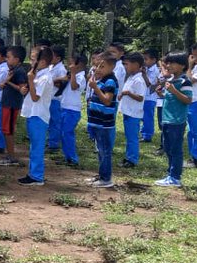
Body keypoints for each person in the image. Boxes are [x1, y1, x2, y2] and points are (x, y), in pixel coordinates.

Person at [155, 52, 193, 187]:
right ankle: (170, 174)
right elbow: (170, 97)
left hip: (177, 121)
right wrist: (162, 93)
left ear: (182, 66)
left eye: (172, 63)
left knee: (175, 148)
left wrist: (173, 91)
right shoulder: (170, 80)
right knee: (167, 147)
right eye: (168, 62)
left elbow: (188, 100)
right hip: (166, 119)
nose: (168, 65)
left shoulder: (185, 81)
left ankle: (175, 177)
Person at [18, 47, 53, 186]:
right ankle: (33, 173)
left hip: (39, 115)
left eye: (33, 59)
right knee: (34, 146)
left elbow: (35, 97)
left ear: (42, 62)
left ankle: (37, 176)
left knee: (37, 147)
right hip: (33, 113)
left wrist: (31, 81)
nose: (31, 61)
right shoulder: (38, 74)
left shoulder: (44, 77)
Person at [86, 52, 119, 188]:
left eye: (102, 66)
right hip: (96, 121)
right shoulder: (101, 79)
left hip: (105, 123)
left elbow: (106, 100)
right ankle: (101, 174)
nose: (97, 69)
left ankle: (106, 179)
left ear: (112, 67)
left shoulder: (110, 81)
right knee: (100, 150)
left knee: (104, 151)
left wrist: (95, 88)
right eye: (95, 66)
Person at [0, 45, 28, 168]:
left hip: (12, 105)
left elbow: (22, 89)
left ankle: (11, 157)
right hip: (7, 104)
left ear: (17, 59)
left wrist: (8, 81)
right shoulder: (13, 70)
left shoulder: (19, 71)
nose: (6, 60)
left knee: (9, 131)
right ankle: (9, 155)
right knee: (6, 130)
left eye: (9, 57)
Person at [56, 53, 87, 169]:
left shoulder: (81, 77)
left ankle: (73, 158)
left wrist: (73, 73)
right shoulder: (71, 75)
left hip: (72, 110)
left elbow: (74, 87)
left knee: (67, 133)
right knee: (63, 133)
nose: (69, 65)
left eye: (72, 63)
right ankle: (67, 156)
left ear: (79, 65)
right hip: (65, 107)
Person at [118, 53, 147, 168]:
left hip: (134, 114)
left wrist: (128, 93)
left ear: (136, 65)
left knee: (132, 138)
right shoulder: (131, 77)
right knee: (129, 136)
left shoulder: (139, 80)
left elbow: (140, 97)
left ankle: (132, 160)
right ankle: (128, 157)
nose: (125, 66)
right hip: (128, 112)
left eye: (127, 64)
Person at [46, 45, 67, 155]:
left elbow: (62, 84)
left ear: (58, 58)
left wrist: (53, 81)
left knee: (55, 121)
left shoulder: (61, 69)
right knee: (49, 121)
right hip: (49, 98)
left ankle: (54, 144)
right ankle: (50, 140)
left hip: (56, 99)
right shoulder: (50, 67)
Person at [141, 49, 162, 144]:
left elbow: (150, 85)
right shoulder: (145, 69)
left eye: (146, 59)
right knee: (143, 115)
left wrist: (144, 74)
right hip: (143, 96)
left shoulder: (155, 71)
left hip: (150, 97)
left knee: (148, 116)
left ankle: (147, 135)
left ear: (154, 60)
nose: (144, 61)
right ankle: (143, 131)